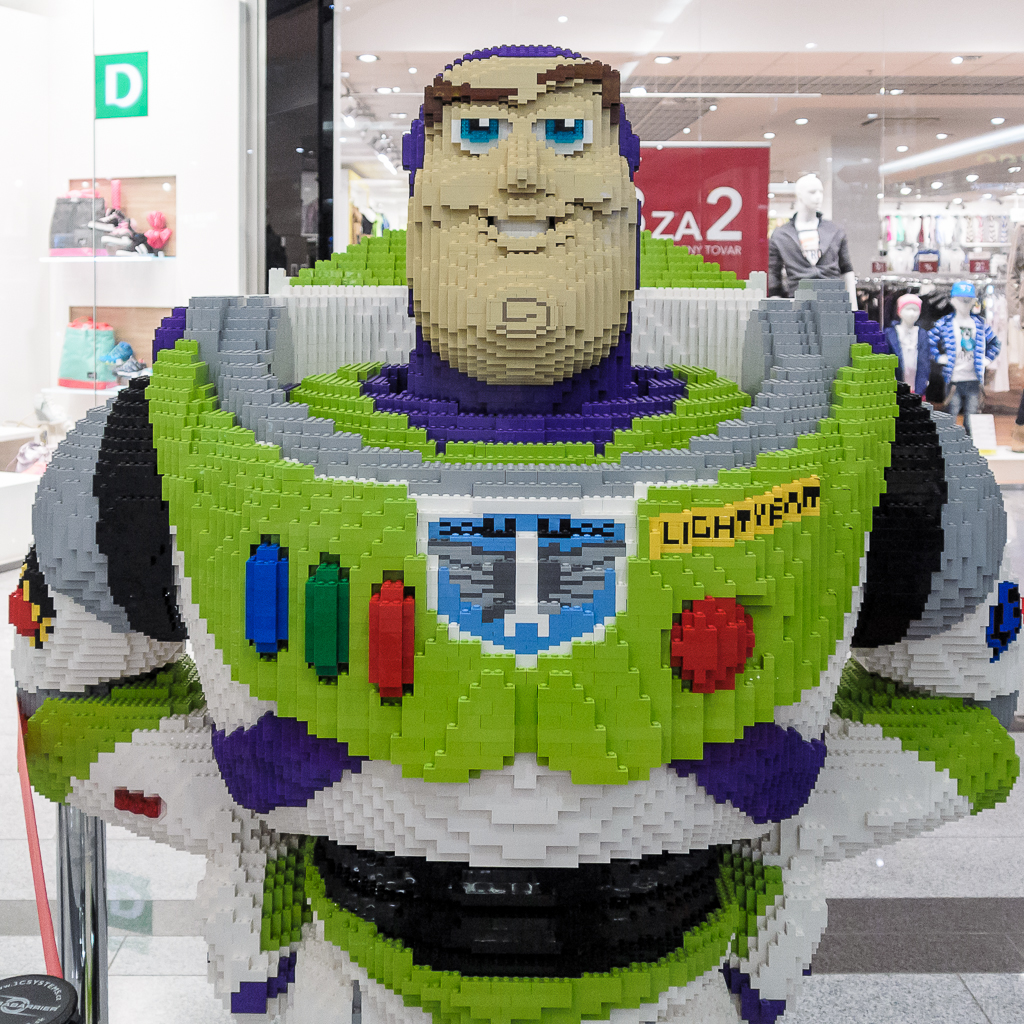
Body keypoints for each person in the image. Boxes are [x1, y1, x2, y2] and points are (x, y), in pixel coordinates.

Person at [928, 280, 999, 435]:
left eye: (968, 300)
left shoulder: (980, 324)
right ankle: (949, 444)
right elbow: (929, 341)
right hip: (953, 379)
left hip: (974, 379)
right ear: (952, 300)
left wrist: (987, 359)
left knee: (972, 417)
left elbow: (995, 343)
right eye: (961, 300)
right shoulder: (945, 323)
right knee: (951, 414)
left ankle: (969, 444)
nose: (964, 304)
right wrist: (939, 358)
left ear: (974, 301)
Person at [884, 293, 930, 394]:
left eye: (915, 309)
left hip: (916, 384)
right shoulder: (889, 333)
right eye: (908, 309)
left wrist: (922, 384)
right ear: (899, 310)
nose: (912, 313)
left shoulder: (922, 334)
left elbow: (924, 362)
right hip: (895, 384)